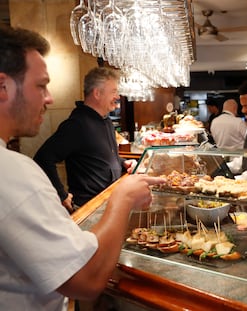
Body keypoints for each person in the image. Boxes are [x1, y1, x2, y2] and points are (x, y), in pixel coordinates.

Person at [0, 26, 165, 311]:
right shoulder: (13, 173)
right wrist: (123, 198)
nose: (49, 98)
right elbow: (86, 281)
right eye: (41, 85)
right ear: (3, 87)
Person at [34, 67, 136, 213]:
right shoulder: (77, 125)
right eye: (113, 91)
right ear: (97, 93)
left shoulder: (106, 121)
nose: (118, 96)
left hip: (109, 202)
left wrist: (123, 162)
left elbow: (101, 156)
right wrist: (61, 194)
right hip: (89, 208)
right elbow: (43, 158)